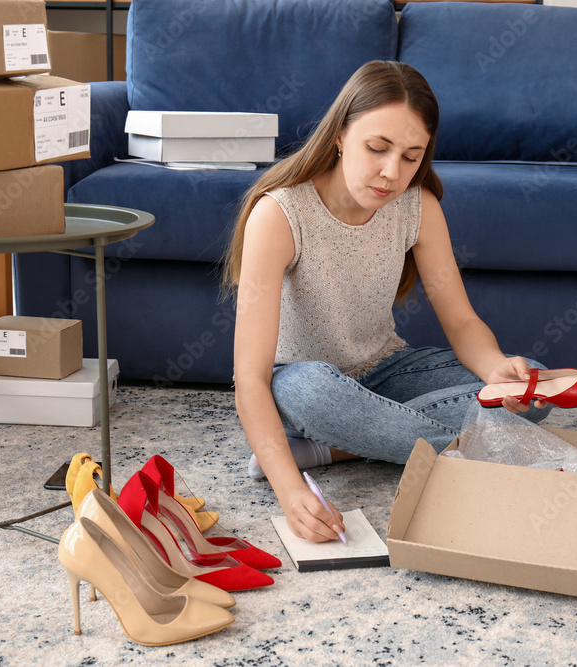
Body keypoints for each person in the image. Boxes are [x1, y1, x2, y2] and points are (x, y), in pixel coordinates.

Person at [223, 60, 550, 544]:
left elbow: (461, 321)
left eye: (411, 156)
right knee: (309, 390)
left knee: (534, 387)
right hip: (303, 386)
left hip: (386, 369)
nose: (391, 173)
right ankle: (481, 449)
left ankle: (335, 449)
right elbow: (249, 377)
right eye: (377, 148)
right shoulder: (280, 215)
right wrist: (291, 492)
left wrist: (497, 367)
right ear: (339, 135)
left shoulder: (419, 207)